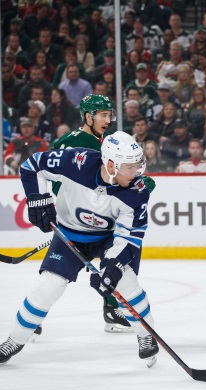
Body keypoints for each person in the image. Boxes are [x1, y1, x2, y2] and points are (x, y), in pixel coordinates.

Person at [0, 131, 160, 368]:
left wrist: (112, 267)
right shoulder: (76, 162)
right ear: (110, 164)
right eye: (129, 167)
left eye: (137, 166)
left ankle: (145, 334)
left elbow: (129, 237)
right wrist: (38, 199)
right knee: (49, 284)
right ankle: (15, 339)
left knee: (125, 282)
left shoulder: (137, 191)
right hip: (69, 232)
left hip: (108, 238)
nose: (137, 173)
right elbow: (33, 166)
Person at [51, 95, 154, 333]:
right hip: (82, 215)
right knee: (57, 273)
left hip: (101, 213)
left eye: (110, 114)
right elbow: (64, 181)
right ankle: (36, 317)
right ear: (88, 116)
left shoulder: (105, 141)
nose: (108, 119)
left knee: (121, 256)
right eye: (103, 115)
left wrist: (138, 182)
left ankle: (112, 307)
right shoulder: (74, 140)